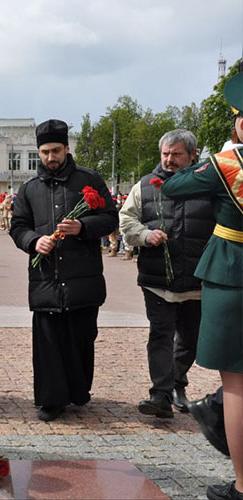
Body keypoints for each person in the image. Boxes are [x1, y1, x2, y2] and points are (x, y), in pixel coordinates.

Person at [162, 72, 243, 500]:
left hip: (233, 273)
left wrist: (206, 161)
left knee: (236, 383)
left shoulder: (225, 165)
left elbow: (173, 185)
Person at [10, 119, 117, 422]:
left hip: (82, 279)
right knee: (48, 344)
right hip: (46, 279)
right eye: (44, 152)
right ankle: (51, 400)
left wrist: (83, 226)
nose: (50, 157)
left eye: (56, 150)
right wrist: (34, 241)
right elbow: (18, 227)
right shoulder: (30, 188)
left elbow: (110, 218)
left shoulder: (89, 180)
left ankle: (78, 392)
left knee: (81, 338)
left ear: (67, 148)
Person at [119, 129, 213, 418]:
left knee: (191, 339)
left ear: (193, 155)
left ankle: (176, 384)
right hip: (158, 279)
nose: (169, 160)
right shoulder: (145, 186)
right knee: (160, 334)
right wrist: (145, 235)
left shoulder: (210, 185)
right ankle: (160, 394)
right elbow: (126, 220)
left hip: (198, 280)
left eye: (176, 154)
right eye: (165, 154)